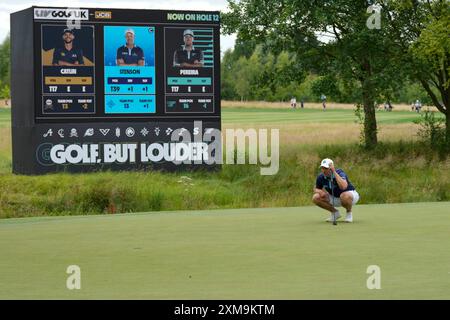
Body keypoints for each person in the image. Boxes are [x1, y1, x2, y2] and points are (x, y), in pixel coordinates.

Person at [312, 158, 360, 223]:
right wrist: (320, 191)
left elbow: (343, 187)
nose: (323, 171)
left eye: (326, 168)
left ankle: (349, 213)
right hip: (334, 197)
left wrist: (334, 172)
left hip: (350, 196)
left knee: (344, 195)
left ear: (331, 168)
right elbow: (316, 188)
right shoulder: (321, 177)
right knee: (315, 197)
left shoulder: (340, 173)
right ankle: (335, 213)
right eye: (322, 168)